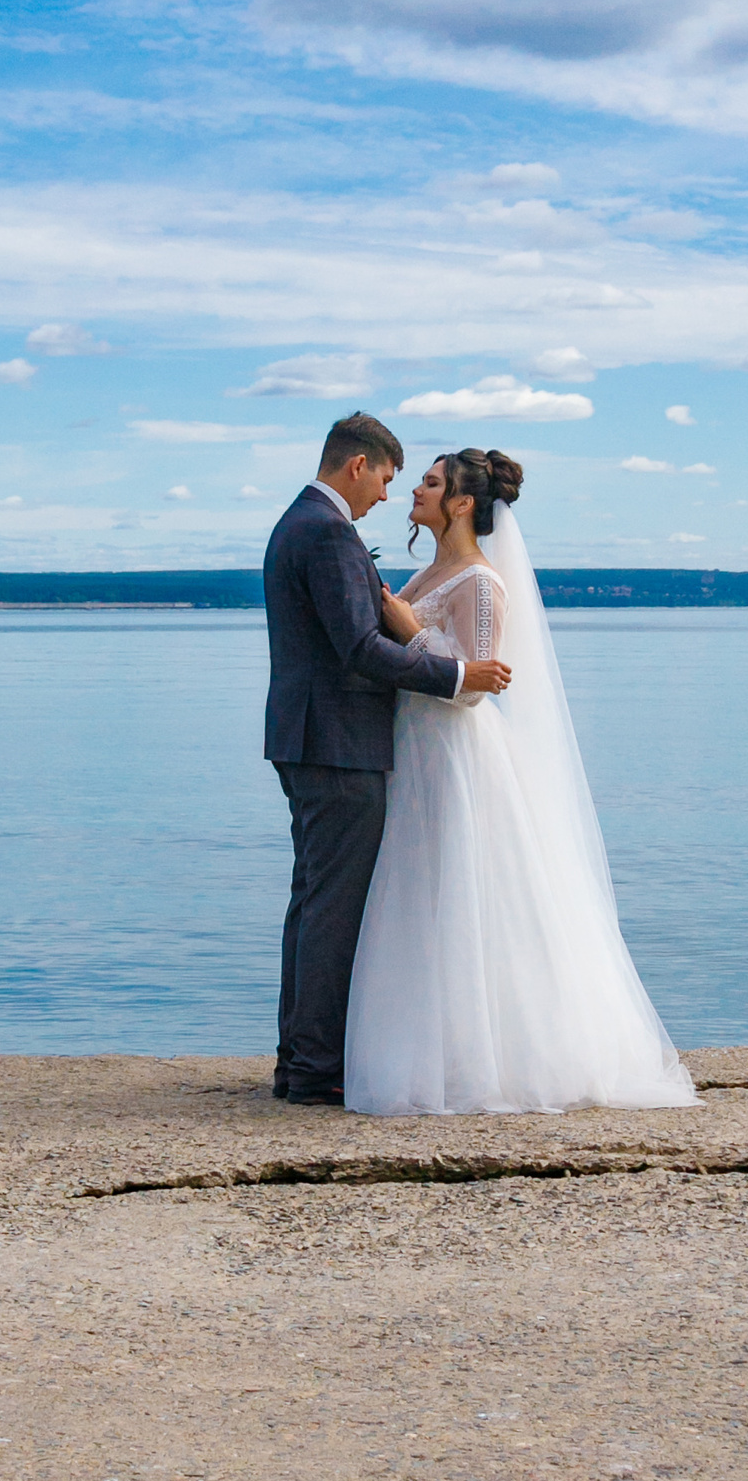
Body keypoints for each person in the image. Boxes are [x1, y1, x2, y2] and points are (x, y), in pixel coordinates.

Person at [343, 447, 695, 1116]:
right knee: (420, 897)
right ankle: (427, 1050)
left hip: (454, 755)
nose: (415, 488)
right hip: (414, 749)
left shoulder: (481, 581)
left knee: (461, 896)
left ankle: (480, 1061)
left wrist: (409, 627)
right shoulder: (431, 569)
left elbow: (477, 683)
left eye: (431, 481)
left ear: (463, 503)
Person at [263, 413, 512, 1105]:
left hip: (322, 739)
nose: (389, 494)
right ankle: (313, 1067)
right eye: (387, 478)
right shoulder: (328, 531)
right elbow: (360, 649)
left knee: (315, 903)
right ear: (357, 465)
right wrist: (461, 678)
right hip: (338, 744)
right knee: (332, 909)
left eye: (421, 483)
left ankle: (301, 1059)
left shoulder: (301, 523)